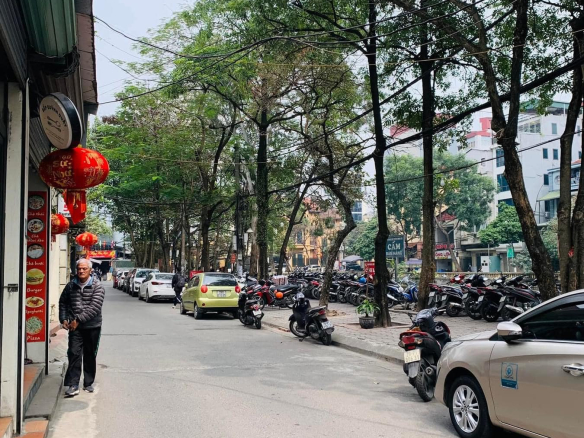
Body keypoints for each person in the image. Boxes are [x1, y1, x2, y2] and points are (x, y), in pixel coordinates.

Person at [59, 259, 105, 397]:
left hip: (92, 326)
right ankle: (73, 384)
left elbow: (95, 307)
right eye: (79, 268)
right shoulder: (70, 286)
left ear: (90, 270)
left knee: (90, 354)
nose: (81, 271)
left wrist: (77, 320)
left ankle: (88, 382)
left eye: (84, 268)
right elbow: (63, 302)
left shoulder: (97, 286)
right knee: (74, 353)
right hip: (75, 328)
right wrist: (63, 319)